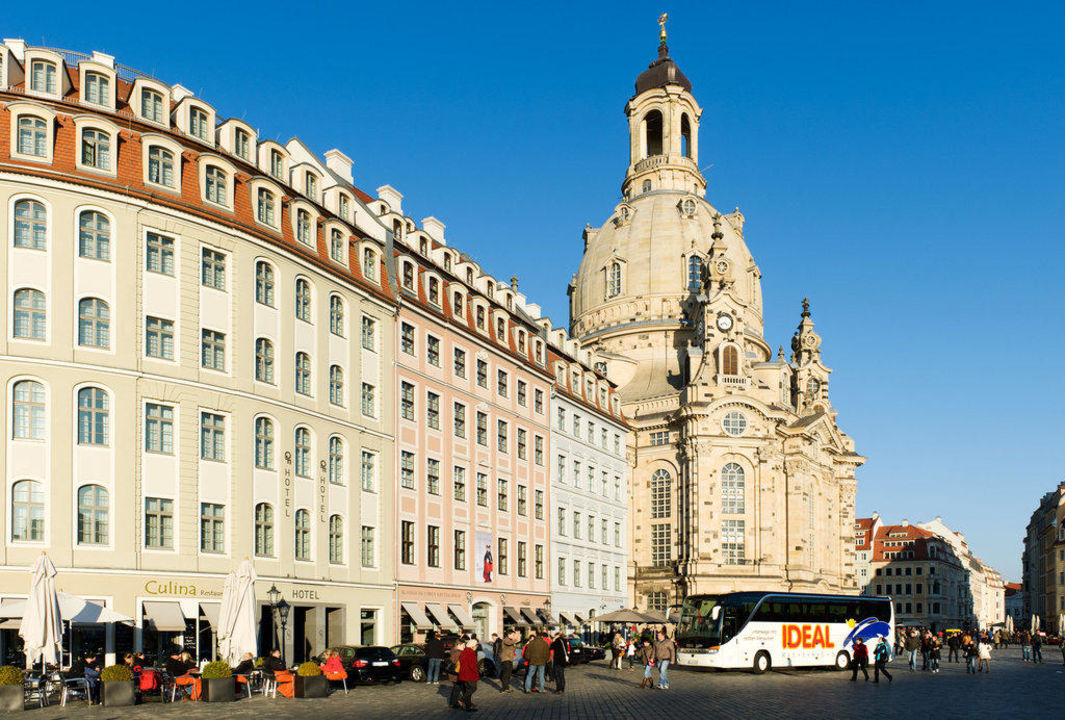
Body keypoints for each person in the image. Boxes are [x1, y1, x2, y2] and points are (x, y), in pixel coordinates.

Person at [447, 637, 467, 709]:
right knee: (460, 688)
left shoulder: (454, 650)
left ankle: (454, 703)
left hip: (454, 673)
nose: (464, 647)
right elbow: (457, 662)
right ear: (458, 645)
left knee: (457, 688)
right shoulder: (457, 653)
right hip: (457, 674)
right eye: (463, 645)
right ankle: (456, 703)